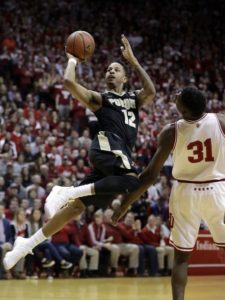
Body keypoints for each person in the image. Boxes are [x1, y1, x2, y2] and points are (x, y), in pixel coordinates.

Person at [3, 34, 156, 270]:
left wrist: (133, 61)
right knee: (133, 182)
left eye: (115, 69)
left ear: (126, 78)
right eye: (107, 70)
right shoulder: (101, 99)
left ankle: (25, 245)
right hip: (107, 149)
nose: (110, 72)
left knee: (75, 208)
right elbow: (68, 83)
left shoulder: (134, 99)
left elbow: (151, 91)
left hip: (117, 159)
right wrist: (72, 60)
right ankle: (66, 191)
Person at [112, 87, 225, 300]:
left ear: (182, 109)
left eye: (177, 97)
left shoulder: (171, 131)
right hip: (218, 190)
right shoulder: (220, 121)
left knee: (181, 259)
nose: (174, 96)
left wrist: (125, 203)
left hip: (185, 192)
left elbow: (149, 176)